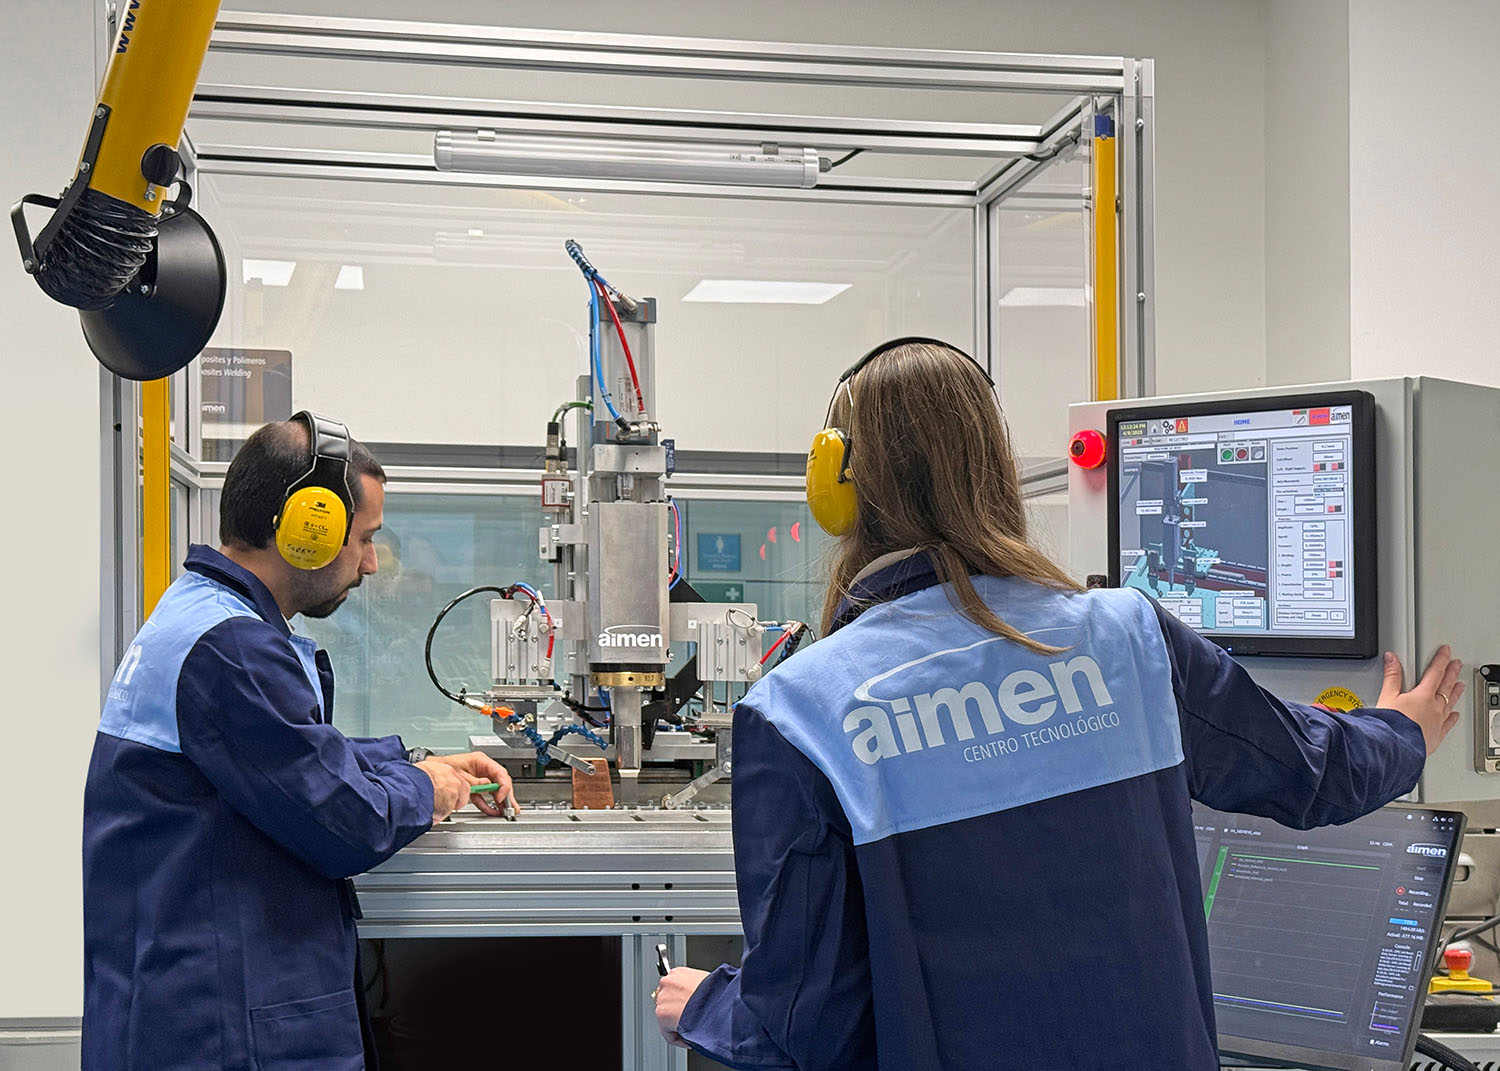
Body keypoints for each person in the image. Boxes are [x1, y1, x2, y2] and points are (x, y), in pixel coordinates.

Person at [653, 339, 1462, 1069]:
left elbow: (804, 1027)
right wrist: (1405, 731)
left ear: (835, 487)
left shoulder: (800, 710)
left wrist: (708, 1006)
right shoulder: (1131, 635)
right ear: (996, 470)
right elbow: (1313, 770)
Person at [82, 413, 518, 1071]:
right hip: (221, 1030)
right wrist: (427, 789)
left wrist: (410, 759)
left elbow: (281, 758)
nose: (371, 563)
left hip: (183, 1007)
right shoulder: (231, 650)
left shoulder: (201, 616)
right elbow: (343, 821)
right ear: (306, 528)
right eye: (364, 539)